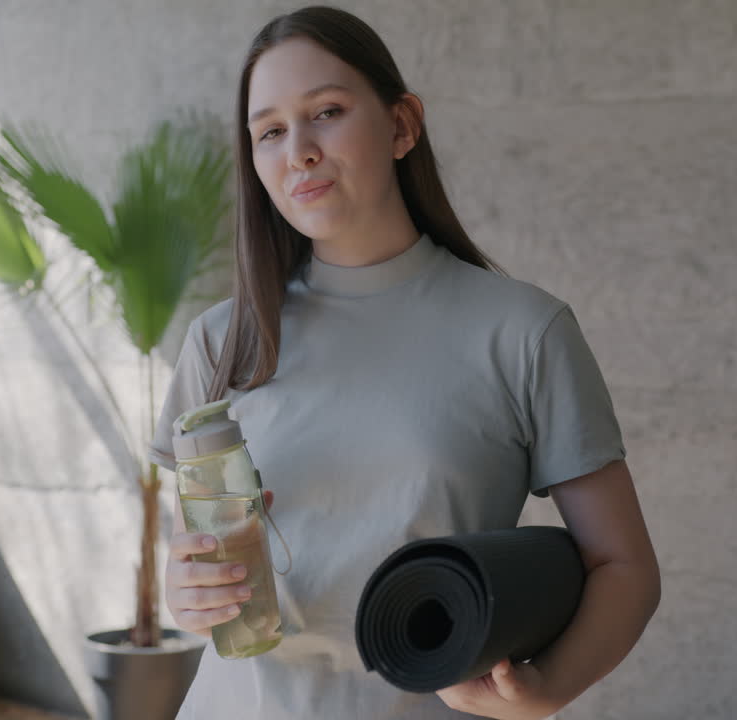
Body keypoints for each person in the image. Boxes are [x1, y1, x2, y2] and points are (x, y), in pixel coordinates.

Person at [149, 6, 661, 719]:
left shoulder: (522, 331)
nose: (297, 150)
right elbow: (191, 567)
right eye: (269, 131)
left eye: (325, 112)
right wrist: (186, 594)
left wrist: (545, 691)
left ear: (401, 125)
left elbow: (624, 566)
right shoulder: (220, 341)